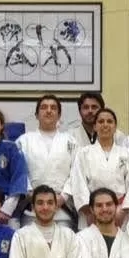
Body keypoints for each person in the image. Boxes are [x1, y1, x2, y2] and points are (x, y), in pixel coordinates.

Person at [68, 108, 129, 227]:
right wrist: (89, 211)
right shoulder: (83, 153)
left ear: (115, 127)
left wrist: (122, 210)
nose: (105, 125)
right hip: (91, 211)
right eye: (101, 121)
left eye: (109, 121)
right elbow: (78, 182)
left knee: (119, 238)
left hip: (119, 212)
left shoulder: (127, 154)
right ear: (95, 126)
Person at [16, 95, 79, 229]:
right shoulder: (24, 141)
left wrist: (63, 197)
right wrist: (31, 194)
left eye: (53, 108)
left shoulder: (71, 142)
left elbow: (76, 171)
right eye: (44, 107)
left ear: (59, 115)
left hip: (62, 210)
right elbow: (18, 171)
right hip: (31, 209)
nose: (49, 111)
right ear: (36, 115)